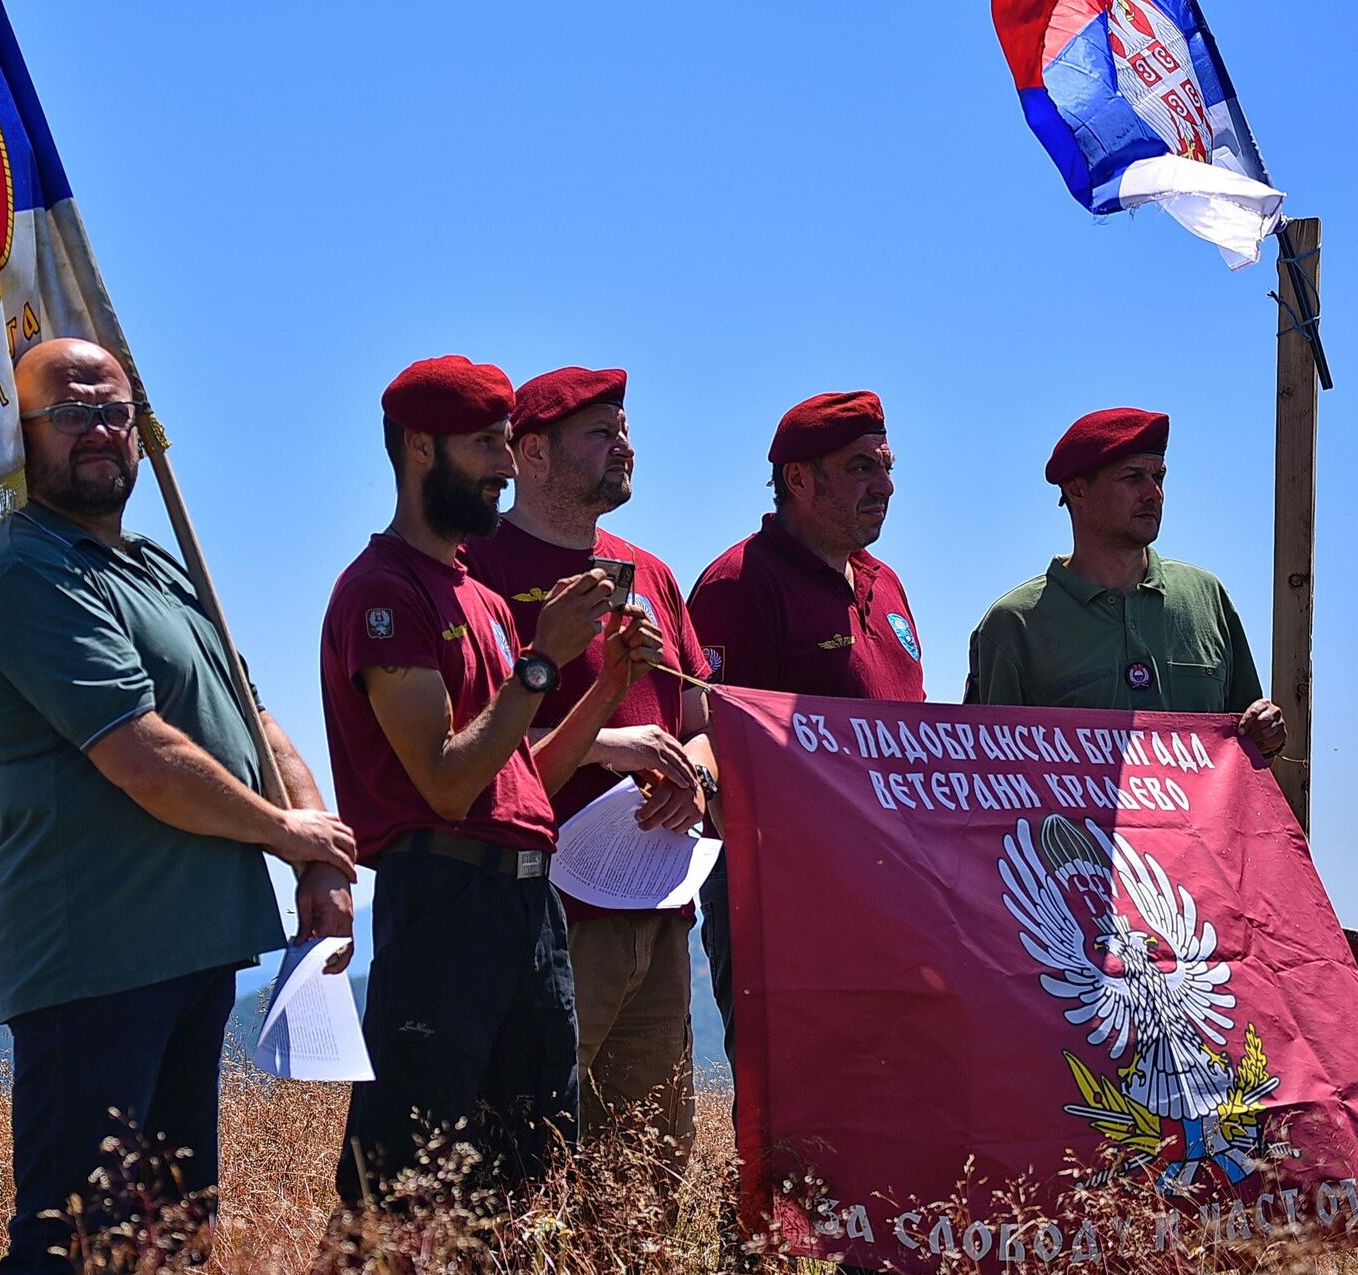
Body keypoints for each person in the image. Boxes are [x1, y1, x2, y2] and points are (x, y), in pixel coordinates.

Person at [0, 338, 358, 1274]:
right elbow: (142, 755)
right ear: (20, 435)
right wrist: (281, 831)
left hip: (190, 944)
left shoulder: (163, 571)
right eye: (71, 413)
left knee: (174, 1237)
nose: (97, 431)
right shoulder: (26, 572)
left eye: (114, 412)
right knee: (74, 1237)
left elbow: (253, 720)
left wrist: (319, 857)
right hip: (93, 953)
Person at [319, 355, 664, 1208]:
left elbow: (519, 789)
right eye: (485, 445)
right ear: (420, 450)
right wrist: (543, 658)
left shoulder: (471, 593)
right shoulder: (384, 592)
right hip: (443, 904)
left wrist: (607, 690)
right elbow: (443, 783)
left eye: (506, 443)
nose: (507, 467)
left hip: (525, 905)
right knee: (405, 1185)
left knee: (529, 1176)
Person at [461, 365, 715, 1168]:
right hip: (544, 908)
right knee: (528, 1157)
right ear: (529, 453)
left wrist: (695, 777)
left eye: (626, 430)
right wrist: (609, 744)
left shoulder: (657, 571)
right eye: (600, 433)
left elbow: (701, 722)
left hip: (661, 907)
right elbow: (462, 740)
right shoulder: (478, 567)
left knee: (646, 1169)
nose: (625, 447)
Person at [686, 389, 925, 1068]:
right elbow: (718, 747)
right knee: (793, 1084)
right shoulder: (739, 585)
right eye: (860, 468)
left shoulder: (890, 585)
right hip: (786, 893)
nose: (885, 485)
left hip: (894, 885)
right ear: (798, 478)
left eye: (887, 465)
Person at [964, 406, 1286, 759]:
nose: (1154, 493)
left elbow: (1247, 752)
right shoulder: (1014, 625)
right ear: (1077, 490)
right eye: (1133, 477)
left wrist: (1264, 733)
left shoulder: (1205, 597)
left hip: (1198, 818)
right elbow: (990, 775)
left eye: (1159, 477)